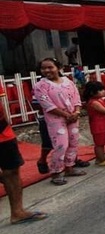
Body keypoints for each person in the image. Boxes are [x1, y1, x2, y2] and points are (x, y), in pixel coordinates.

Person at [0, 86, 48, 224]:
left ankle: (17, 212)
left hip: (3, 132)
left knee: (12, 171)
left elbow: (2, 107)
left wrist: (7, 125)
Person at [32, 58, 84, 186]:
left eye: (50, 67)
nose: (47, 70)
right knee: (61, 145)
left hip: (73, 116)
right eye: (43, 68)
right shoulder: (40, 86)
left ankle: (69, 167)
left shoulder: (68, 82)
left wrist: (77, 112)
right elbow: (46, 104)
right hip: (56, 119)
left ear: (58, 67)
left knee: (73, 142)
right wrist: (66, 115)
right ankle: (56, 171)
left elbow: (76, 97)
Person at [32, 98, 90, 174]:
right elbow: (37, 104)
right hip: (50, 119)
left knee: (71, 140)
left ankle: (72, 161)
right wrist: (57, 109)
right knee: (49, 143)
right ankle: (43, 161)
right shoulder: (42, 87)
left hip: (68, 116)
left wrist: (75, 111)